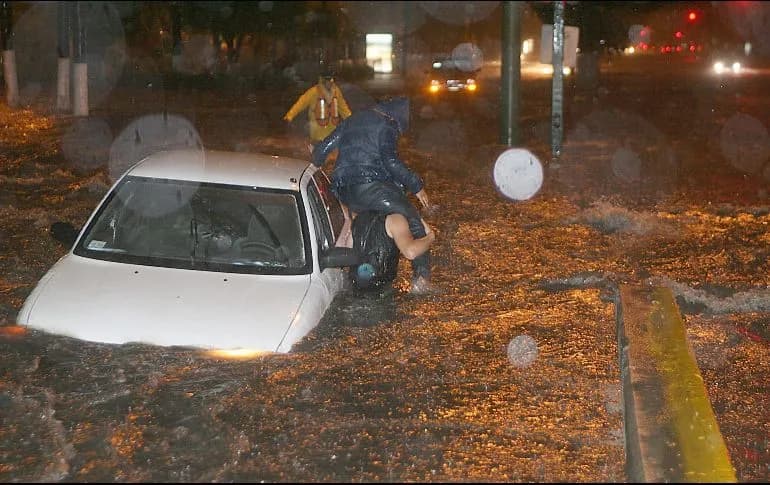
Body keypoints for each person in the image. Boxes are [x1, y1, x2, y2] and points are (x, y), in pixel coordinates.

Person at [311, 96, 436, 294]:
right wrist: (416, 186)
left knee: (360, 227)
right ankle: (421, 279)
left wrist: (315, 164)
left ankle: (351, 273)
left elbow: (322, 149)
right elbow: (391, 161)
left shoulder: (352, 119)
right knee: (414, 219)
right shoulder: (387, 125)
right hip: (370, 188)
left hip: (343, 191)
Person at [351, 210, 435, 292]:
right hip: (382, 292)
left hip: (355, 290)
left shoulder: (355, 215)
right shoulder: (395, 219)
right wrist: (430, 237)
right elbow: (410, 252)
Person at [283, 70, 352, 152]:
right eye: (328, 80)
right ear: (323, 80)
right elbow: (301, 103)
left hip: (332, 131)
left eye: (331, 80)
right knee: (318, 154)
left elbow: (343, 107)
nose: (330, 82)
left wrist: (352, 119)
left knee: (332, 155)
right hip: (317, 132)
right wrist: (289, 116)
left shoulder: (336, 92)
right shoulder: (314, 92)